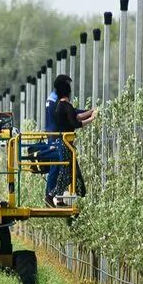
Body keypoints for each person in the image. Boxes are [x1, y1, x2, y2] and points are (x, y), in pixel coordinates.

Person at [43, 74, 93, 205]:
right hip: (58, 137)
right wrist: (91, 114)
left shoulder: (53, 99)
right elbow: (72, 114)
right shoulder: (57, 101)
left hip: (55, 136)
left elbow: (72, 113)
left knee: (63, 168)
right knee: (59, 167)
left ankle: (57, 196)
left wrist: (88, 112)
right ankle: (50, 195)